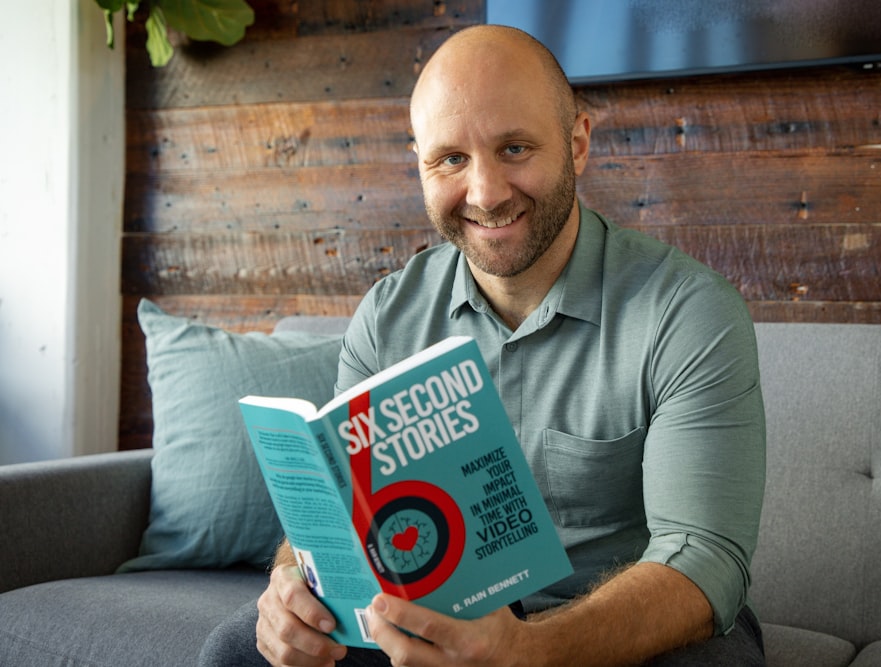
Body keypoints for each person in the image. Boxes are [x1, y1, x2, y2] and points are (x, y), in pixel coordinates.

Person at [199, 24, 766, 667]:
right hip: (433, 614)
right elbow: (338, 519)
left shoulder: (687, 312)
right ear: (420, 162)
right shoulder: (388, 316)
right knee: (237, 652)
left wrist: (528, 651)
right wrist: (293, 586)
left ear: (578, 143)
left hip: (632, 628)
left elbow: (704, 560)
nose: (486, 193)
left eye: (515, 148)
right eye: (451, 160)